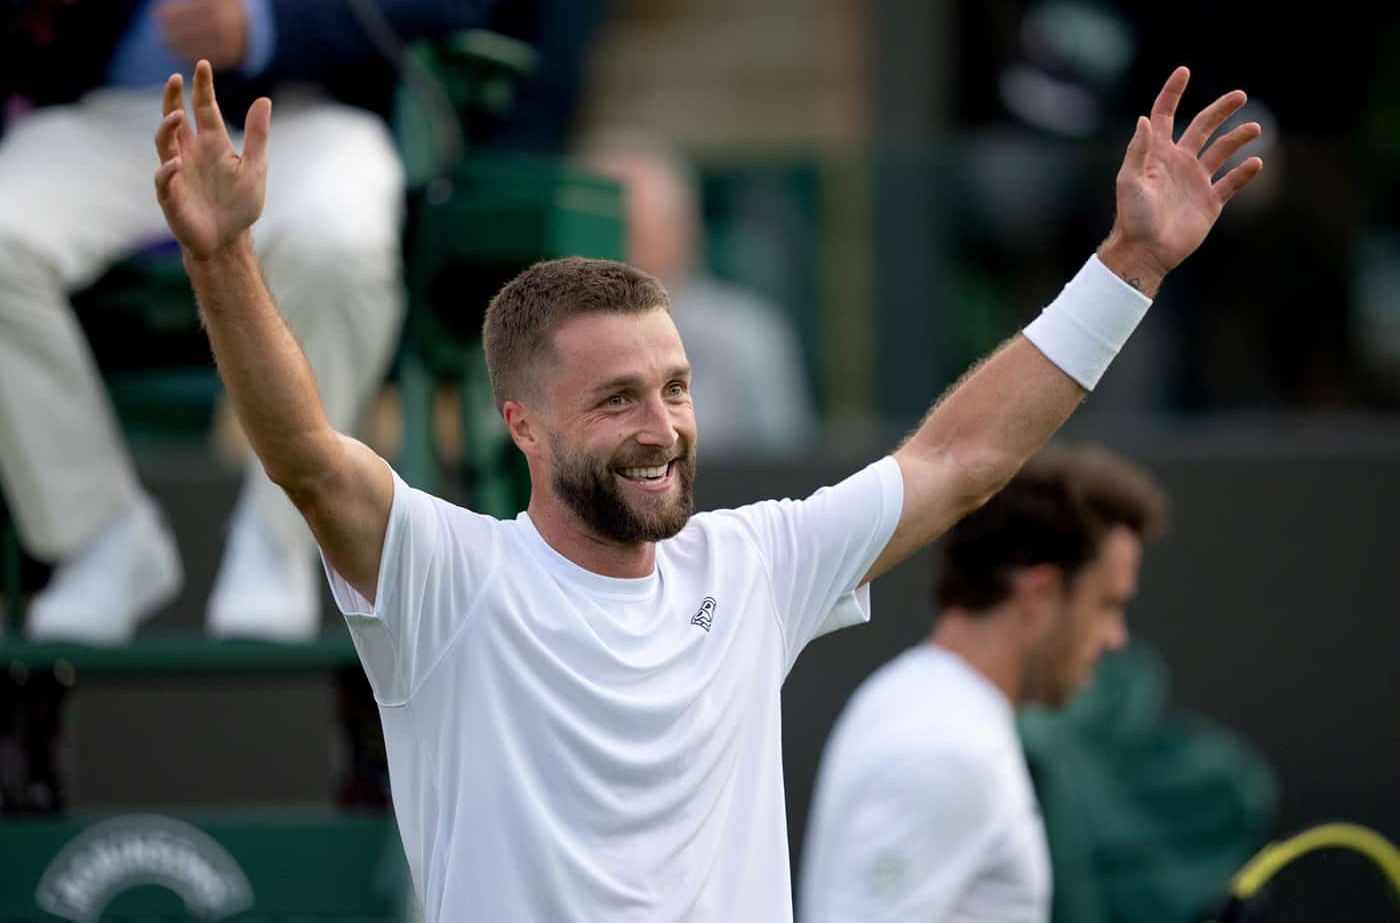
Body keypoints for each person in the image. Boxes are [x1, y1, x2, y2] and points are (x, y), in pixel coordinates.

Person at [150, 57, 1260, 921]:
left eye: (674, 388)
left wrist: (1130, 266)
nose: (662, 427)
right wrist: (222, 260)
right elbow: (300, 451)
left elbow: (958, 460)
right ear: (521, 425)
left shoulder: (754, 566)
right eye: (619, 398)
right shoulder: (448, 579)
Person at [0, 0, 496, 644]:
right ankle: (93, 533)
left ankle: (283, 531)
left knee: (340, 250)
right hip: (111, 118)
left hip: (308, 115)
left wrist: (267, 21)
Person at [798, 446, 1166, 922]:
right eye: (1107, 605)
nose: (1117, 638)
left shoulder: (930, 710)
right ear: (1040, 592)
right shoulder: (946, 750)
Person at [580, 137, 821, 457]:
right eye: (597, 233)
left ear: (683, 230)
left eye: (630, 231)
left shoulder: (746, 336)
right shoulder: (550, 337)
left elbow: (789, 473)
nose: (612, 252)